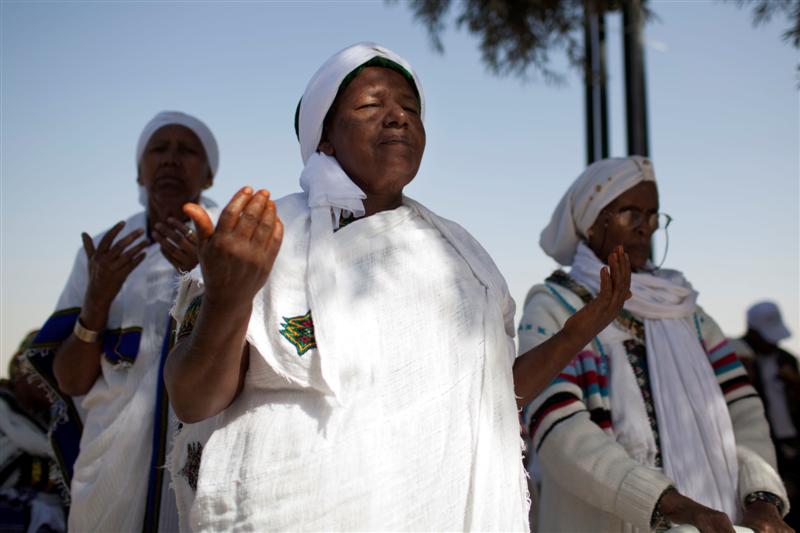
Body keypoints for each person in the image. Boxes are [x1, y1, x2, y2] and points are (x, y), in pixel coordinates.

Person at [164, 42, 630, 531]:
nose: (397, 117)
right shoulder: (262, 235)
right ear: (325, 137)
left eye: (410, 108)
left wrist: (573, 335)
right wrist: (228, 299)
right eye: (370, 106)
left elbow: (491, 396)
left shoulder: (464, 259)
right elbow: (193, 399)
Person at [519, 156, 792, 532]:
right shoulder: (554, 307)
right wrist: (668, 503)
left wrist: (761, 499)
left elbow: (742, 410)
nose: (645, 227)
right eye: (630, 213)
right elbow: (559, 431)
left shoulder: (686, 312)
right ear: (590, 222)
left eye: (652, 216)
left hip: (713, 518)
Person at [24, 111, 219, 532]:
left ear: (209, 175)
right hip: (109, 477)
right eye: (159, 149)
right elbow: (71, 380)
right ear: (139, 172)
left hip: (208, 467)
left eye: (187, 150)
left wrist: (211, 280)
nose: (171, 159)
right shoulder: (104, 253)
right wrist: (97, 301)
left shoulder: (232, 240)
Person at [732, 301, 800, 529]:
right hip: (762, 442)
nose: (774, 342)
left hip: (791, 440)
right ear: (752, 331)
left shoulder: (786, 359)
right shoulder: (738, 357)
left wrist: (794, 384)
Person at [0, 332, 66, 533]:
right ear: (20, 368)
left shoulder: (63, 424)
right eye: (43, 366)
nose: (51, 378)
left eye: (57, 369)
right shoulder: (3, 411)